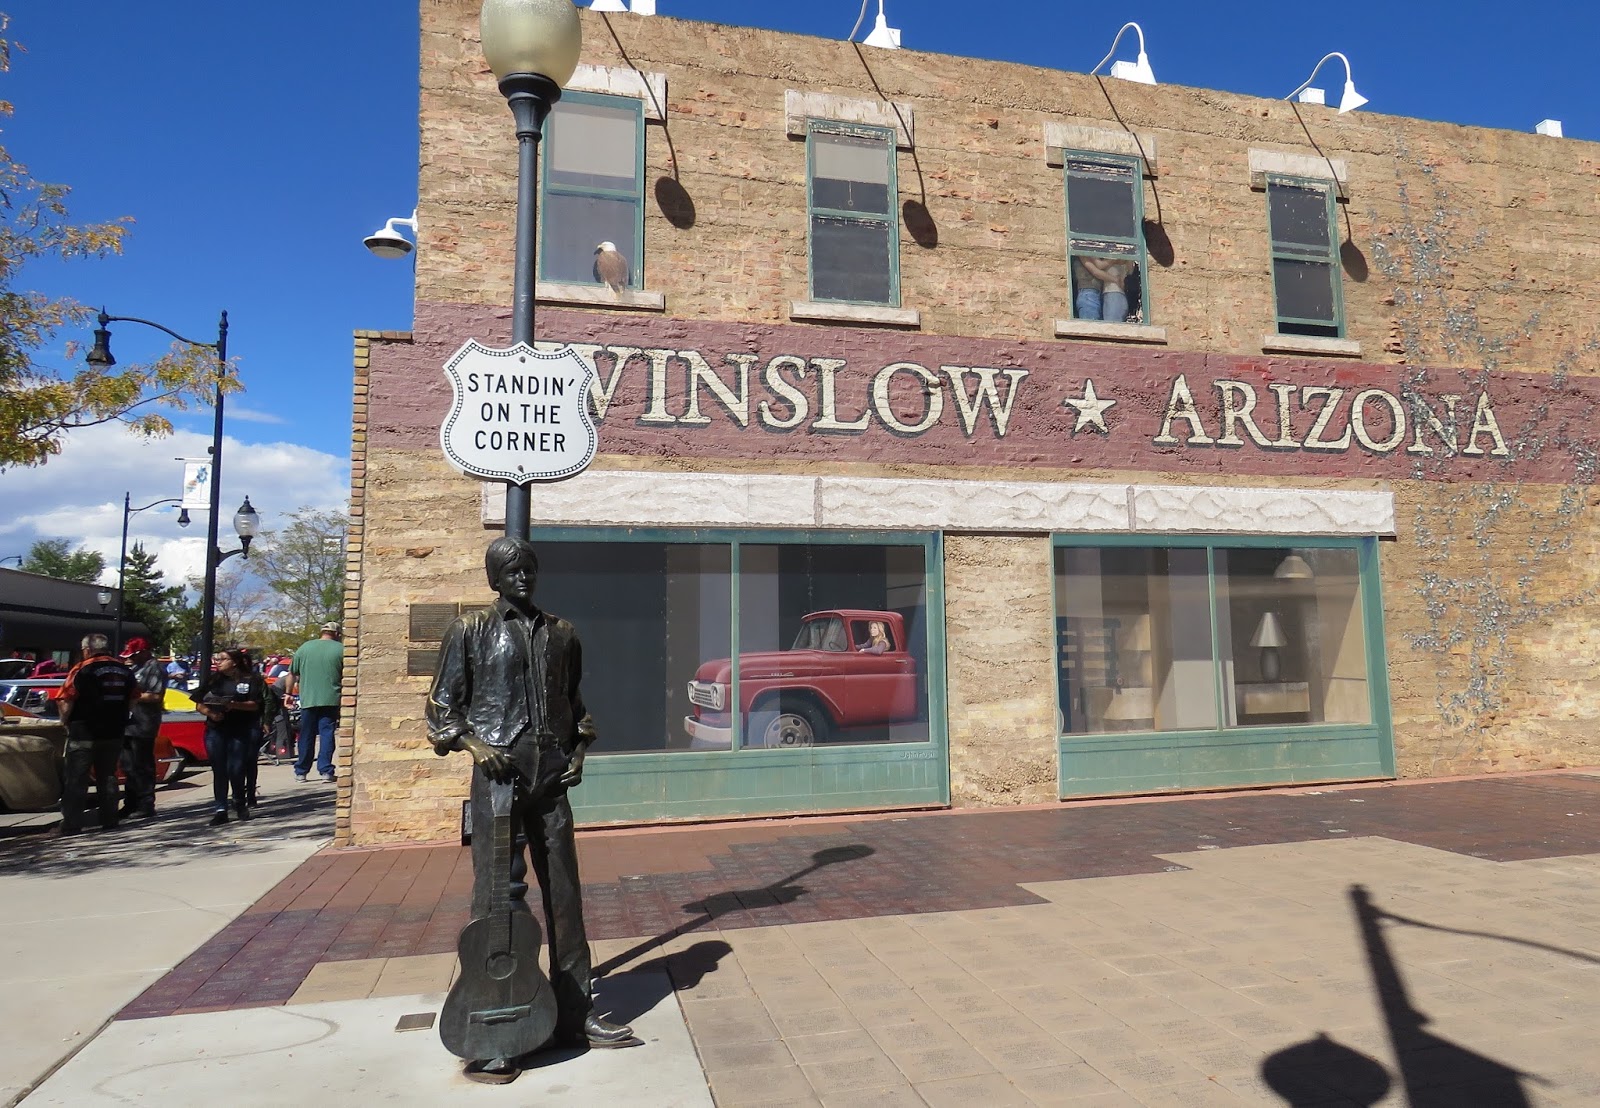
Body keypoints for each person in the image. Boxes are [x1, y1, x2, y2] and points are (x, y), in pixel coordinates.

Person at [427, 537, 638, 1084]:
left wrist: (580, 751)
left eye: (529, 569)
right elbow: (442, 707)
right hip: (498, 776)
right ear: (494, 577)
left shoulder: (563, 634)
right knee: (498, 895)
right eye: (511, 570)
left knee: (565, 893)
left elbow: (577, 706)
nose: (522, 577)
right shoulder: (469, 630)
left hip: (550, 777)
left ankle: (575, 1010)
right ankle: (497, 1027)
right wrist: (476, 748)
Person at [57, 634, 135, 835]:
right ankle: (110, 819)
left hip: (84, 732)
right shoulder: (124, 669)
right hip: (114, 732)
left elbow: (65, 699)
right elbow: (134, 698)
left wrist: (64, 721)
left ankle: (72, 824)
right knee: (108, 776)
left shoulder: (82, 668)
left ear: (87, 650)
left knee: (76, 779)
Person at [194, 648, 264, 826]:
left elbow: (255, 705)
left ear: (234, 662)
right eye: (217, 658)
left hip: (240, 730)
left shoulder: (251, 679)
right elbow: (198, 704)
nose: (218, 662)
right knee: (219, 770)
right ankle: (220, 809)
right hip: (216, 730)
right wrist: (211, 713)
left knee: (237, 768)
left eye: (223, 659)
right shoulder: (213, 679)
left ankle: (239, 803)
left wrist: (233, 705)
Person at [119, 637, 166, 820]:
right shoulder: (133, 668)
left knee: (142, 765)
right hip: (128, 723)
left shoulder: (154, 667)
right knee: (128, 766)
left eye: (134, 654)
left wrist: (131, 696)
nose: (131, 658)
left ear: (145, 652)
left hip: (144, 723)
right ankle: (130, 803)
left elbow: (155, 696)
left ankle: (146, 804)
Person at [290, 623, 343, 783]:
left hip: (308, 699)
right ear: (337, 633)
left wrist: (287, 693)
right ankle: (326, 770)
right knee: (327, 734)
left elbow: (292, 673)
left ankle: (301, 771)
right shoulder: (341, 649)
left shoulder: (305, 648)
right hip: (331, 699)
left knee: (306, 735)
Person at [1080, 255, 1135, 322]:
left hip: (1114, 293)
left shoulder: (1114, 253)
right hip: (1113, 293)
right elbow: (1099, 266)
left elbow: (1099, 267)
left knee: (1111, 325)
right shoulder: (1120, 254)